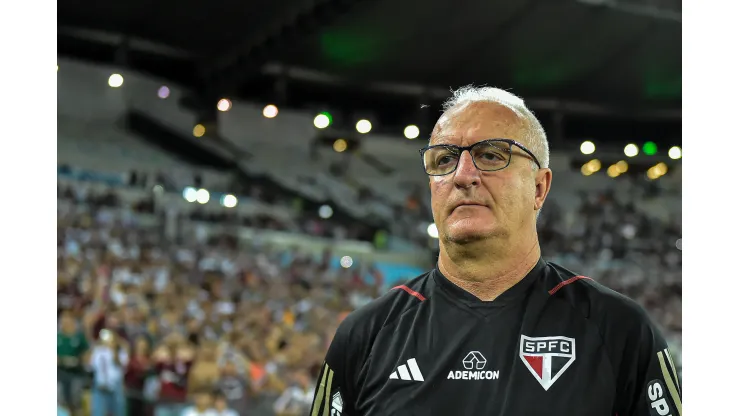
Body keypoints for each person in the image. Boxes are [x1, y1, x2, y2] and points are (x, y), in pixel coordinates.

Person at [308, 86, 682, 415]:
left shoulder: (620, 331)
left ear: (539, 188)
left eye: (490, 155)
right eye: (443, 159)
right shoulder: (365, 336)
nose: (462, 174)